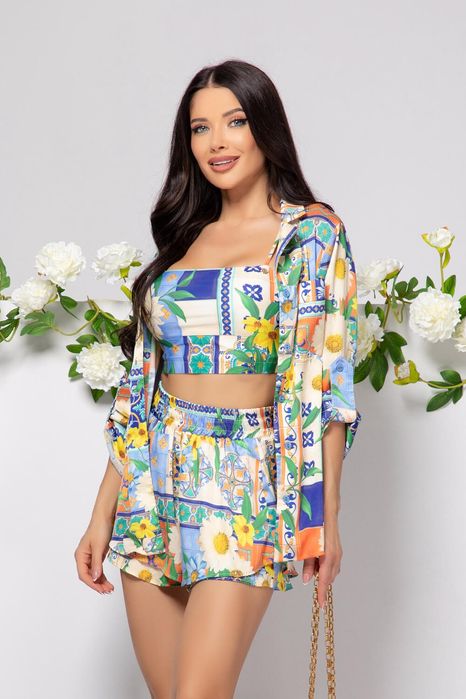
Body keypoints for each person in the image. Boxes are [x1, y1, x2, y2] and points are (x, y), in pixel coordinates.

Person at [74, 59, 361, 699]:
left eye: (234, 121)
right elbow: (139, 395)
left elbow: (325, 385)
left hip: (246, 481)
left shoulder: (310, 235)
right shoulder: (184, 238)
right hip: (152, 482)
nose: (217, 142)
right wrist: (101, 515)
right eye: (200, 128)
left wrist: (324, 518)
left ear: (265, 127)